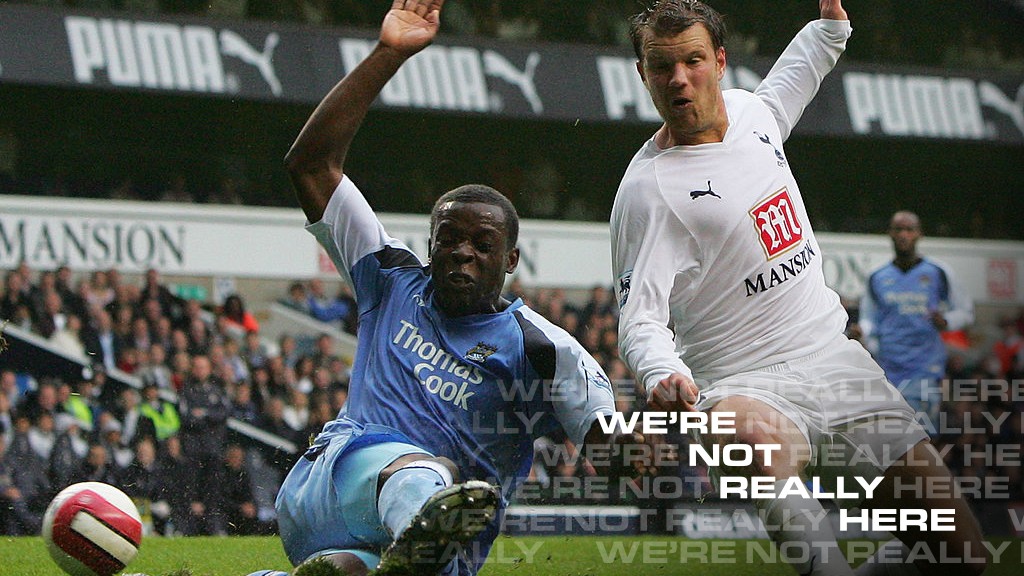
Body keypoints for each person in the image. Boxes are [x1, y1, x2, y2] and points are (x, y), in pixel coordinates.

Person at [253, 2, 648, 575]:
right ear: (432, 243)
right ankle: (420, 522)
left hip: (428, 555)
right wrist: (389, 53)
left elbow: (613, 459)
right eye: (449, 240)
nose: (462, 252)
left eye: (482, 245)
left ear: (511, 260)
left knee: (348, 571)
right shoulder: (389, 277)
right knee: (427, 471)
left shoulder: (544, 351)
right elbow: (311, 164)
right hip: (334, 484)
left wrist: (647, 434)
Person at [610, 1, 986, 575]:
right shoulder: (646, 192)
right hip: (743, 383)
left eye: (693, 61)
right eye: (662, 67)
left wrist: (830, 25)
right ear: (643, 74)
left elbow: (795, 76)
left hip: (837, 361)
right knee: (750, 443)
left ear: (720, 61)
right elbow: (640, 319)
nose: (679, 80)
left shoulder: (752, 114)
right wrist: (661, 372)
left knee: (959, 558)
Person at [853, 211, 974, 430]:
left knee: (919, 437)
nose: (903, 235)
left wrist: (946, 321)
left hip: (925, 368)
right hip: (888, 367)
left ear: (919, 234)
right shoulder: (877, 277)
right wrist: (862, 332)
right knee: (891, 439)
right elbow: (869, 320)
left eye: (909, 230)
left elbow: (966, 311)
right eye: (898, 229)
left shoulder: (938, 272)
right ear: (890, 233)